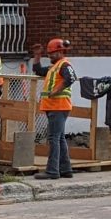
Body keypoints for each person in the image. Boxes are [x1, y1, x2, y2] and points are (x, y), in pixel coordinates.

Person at [35, 37, 77, 180]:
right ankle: (65, 169)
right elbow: (38, 70)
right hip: (55, 107)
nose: (50, 56)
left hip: (58, 106)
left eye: (51, 53)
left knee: (53, 138)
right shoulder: (54, 67)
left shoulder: (64, 65)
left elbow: (71, 78)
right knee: (59, 139)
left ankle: (52, 171)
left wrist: (56, 90)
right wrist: (37, 56)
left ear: (60, 52)